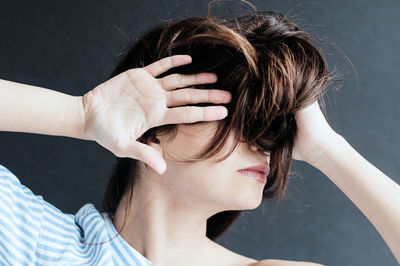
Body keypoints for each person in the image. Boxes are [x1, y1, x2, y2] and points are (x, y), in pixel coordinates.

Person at [0, 7, 399, 266]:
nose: (264, 145)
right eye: (242, 119)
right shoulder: (41, 244)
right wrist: (80, 115)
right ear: (152, 130)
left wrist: (327, 148)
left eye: (273, 129)